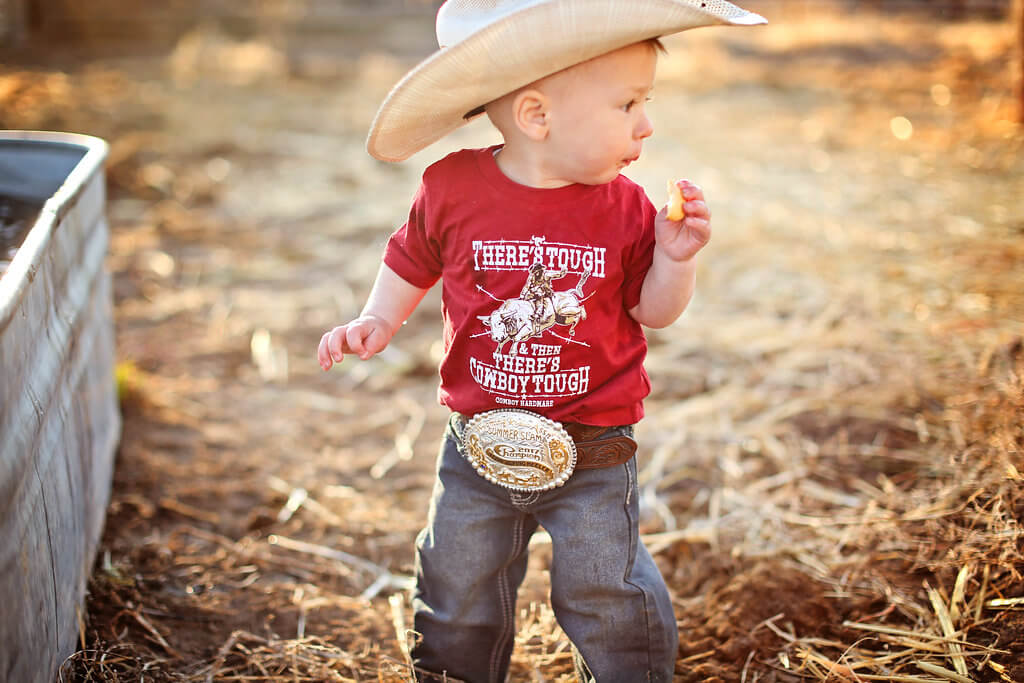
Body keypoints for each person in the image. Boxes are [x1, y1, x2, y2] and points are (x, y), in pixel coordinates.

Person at [316, 1, 765, 680]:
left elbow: (654, 310)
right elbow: (412, 257)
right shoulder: (451, 187)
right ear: (536, 116)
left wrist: (677, 259)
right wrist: (377, 319)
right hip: (478, 444)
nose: (646, 123)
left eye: (646, 101)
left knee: (604, 589)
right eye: (627, 104)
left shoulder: (627, 206)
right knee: (456, 587)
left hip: (593, 448)